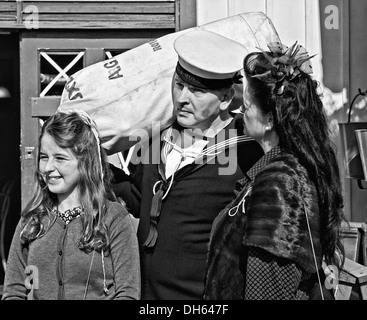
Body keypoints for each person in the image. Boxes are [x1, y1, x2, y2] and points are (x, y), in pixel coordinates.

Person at [111, 30, 264, 299]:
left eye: (196, 91)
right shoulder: (155, 140)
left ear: (226, 97)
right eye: (179, 84)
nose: (182, 98)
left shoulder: (247, 152)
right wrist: (96, 167)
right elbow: (138, 199)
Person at [203, 42, 346, 300]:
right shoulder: (282, 171)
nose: (241, 111)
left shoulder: (279, 185)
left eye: (247, 105)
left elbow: (266, 290)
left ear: (270, 119)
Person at [2, 110, 141, 300]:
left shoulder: (114, 219)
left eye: (60, 158)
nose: (48, 168)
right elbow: (13, 292)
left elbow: (128, 293)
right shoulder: (32, 221)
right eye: (44, 157)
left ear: (85, 161)